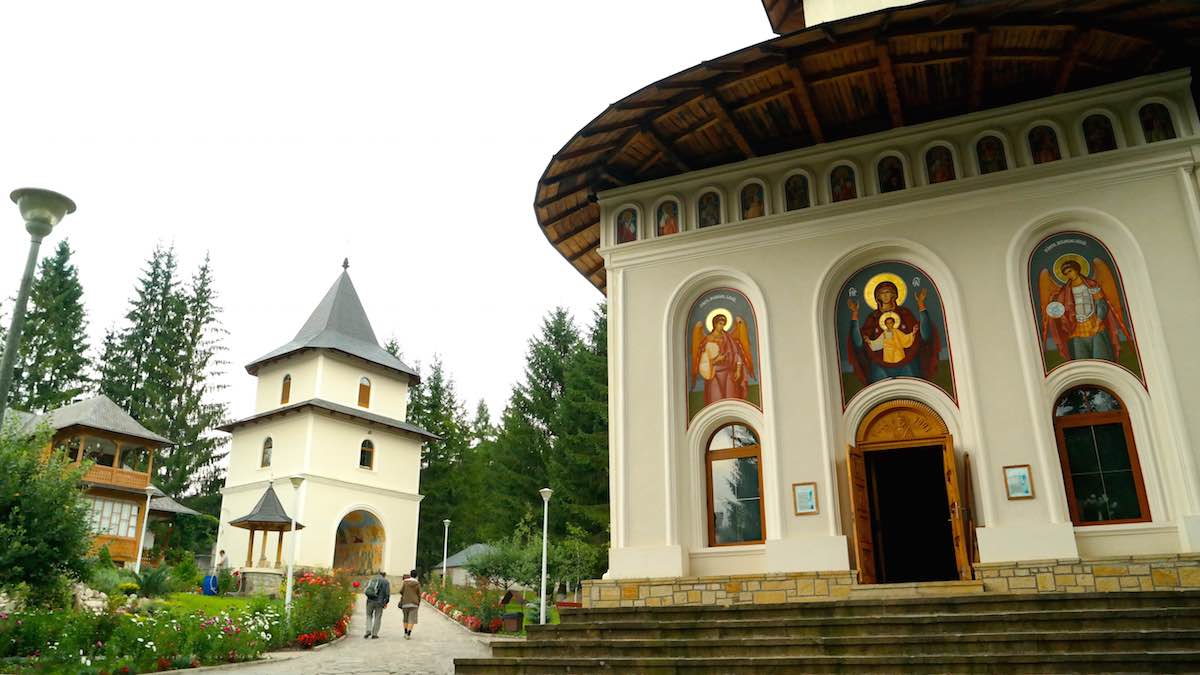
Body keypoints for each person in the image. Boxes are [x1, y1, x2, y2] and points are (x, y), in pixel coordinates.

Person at [363, 570, 390, 639]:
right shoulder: (386, 582)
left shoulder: (372, 579)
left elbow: (367, 589)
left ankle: (368, 630)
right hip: (379, 602)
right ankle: (374, 634)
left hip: (370, 600)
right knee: (377, 617)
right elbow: (387, 594)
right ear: (384, 575)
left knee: (369, 615)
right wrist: (385, 603)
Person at [399, 569, 421, 640]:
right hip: (414, 604)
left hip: (405, 603)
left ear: (410, 574)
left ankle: (405, 633)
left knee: (405, 618)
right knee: (411, 619)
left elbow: (401, 591)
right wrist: (418, 602)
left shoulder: (405, 582)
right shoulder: (417, 584)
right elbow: (419, 594)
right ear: (416, 576)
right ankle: (408, 634)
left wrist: (406, 595)